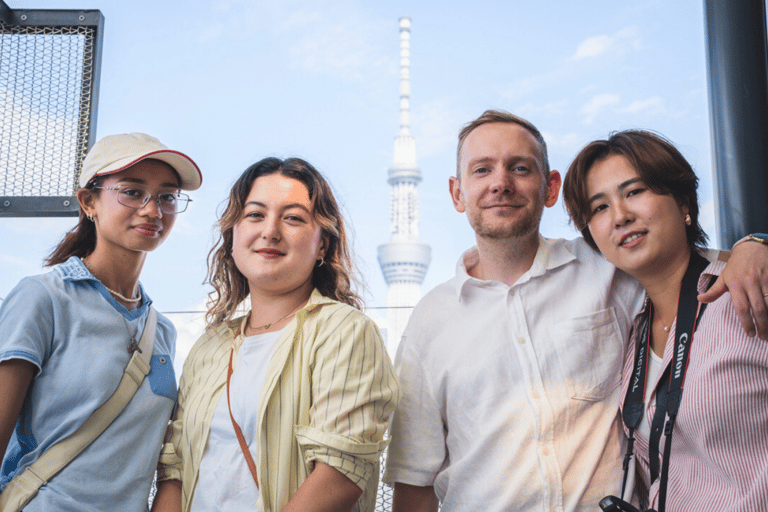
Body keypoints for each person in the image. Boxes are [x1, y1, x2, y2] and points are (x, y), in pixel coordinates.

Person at [382, 110, 768, 512]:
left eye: (519, 168)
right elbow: (414, 481)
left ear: (550, 187)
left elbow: (693, 262)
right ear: (457, 193)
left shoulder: (607, 264)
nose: (501, 184)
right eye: (482, 170)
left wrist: (756, 243)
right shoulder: (429, 323)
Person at [152, 157, 399, 512]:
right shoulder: (211, 346)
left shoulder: (345, 331)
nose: (270, 231)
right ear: (233, 235)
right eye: (255, 215)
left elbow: (341, 469)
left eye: (293, 218)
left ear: (323, 246)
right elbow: (174, 468)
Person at [562, 130, 768, 511]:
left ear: (683, 200)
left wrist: (758, 242)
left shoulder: (749, 286)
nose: (621, 216)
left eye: (634, 191)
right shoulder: (634, 328)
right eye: (600, 207)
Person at [0, 133, 202, 511]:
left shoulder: (161, 332)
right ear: (89, 201)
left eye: (167, 196)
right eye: (132, 191)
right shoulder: (43, 298)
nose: (152, 210)